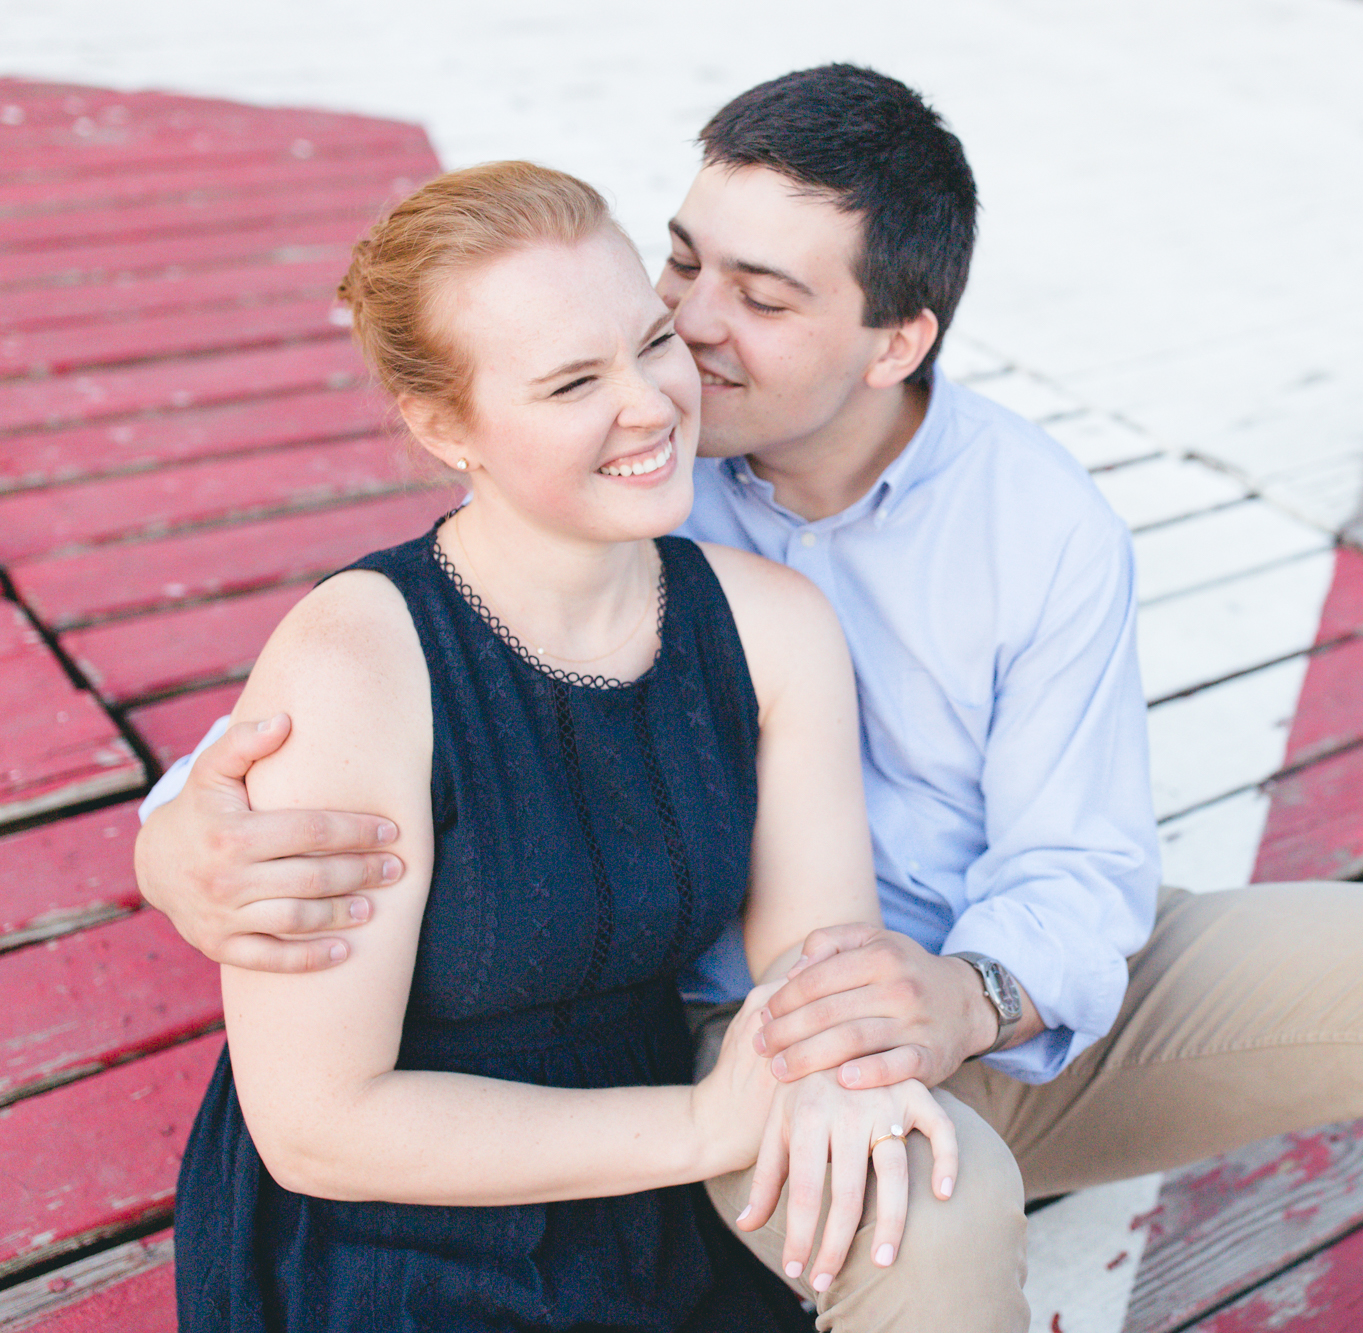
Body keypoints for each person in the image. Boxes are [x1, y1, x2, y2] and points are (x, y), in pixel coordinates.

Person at [140, 67, 1363, 1332]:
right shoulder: (624, 457)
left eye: (760, 300)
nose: (690, 336)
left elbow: (1081, 866)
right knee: (933, 1202)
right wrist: (173, 839)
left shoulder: (1032, 518)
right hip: (735, 1016)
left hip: (969, 990)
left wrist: (960, 1000)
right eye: (683, 268)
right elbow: (365, 691)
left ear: (894, 341)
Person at [168, 159, 958, 1333]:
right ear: (446, 426)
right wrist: (706, 1126)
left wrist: (819, 1068)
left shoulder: (772, 627)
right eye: (571, 382)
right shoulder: (357, 664)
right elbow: (316, 1125)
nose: (648, 403)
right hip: (396, 1231)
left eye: (650, 342)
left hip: (651, 1204)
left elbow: (814, 970)